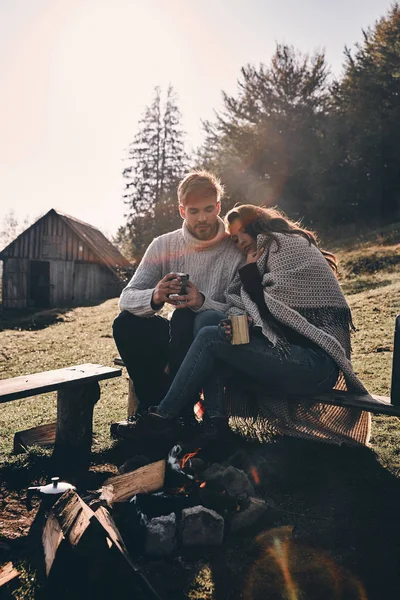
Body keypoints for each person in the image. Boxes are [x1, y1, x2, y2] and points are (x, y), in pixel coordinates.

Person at [126, 204, 372, 446]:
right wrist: (235, 324)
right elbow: (253, 309)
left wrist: (250, 274)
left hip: (314, 364)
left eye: (237, 235)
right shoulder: (261, 253)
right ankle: (215, 424)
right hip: (283, 352)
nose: (236, 243)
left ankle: (164, 417)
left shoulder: (287, 246)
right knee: (207, 320)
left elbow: (279, 310)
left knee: (210, 338)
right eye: (231, 239)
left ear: (253, 225)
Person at [112, 170, 244, 430]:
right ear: (182, 211)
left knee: (189, 316)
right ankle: (157, 411)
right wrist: (156, 295)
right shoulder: (164, 245)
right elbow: (126, 297)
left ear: (219, 206)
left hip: (218, 339)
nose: (203, 218)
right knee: (126, 324)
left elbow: (242, 310)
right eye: (194, 211)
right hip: (176, 340)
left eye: (209, 209)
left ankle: (170, 416)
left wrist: (200, 301)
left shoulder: (235, 248)